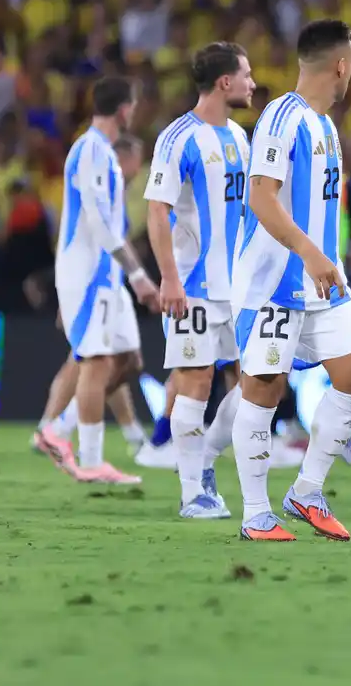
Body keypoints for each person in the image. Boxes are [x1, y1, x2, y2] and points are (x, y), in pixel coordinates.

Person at [229, 19, 351, 542]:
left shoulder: (325, 126)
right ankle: (255, 514)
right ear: (341, 65)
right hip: (274, 281)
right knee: (264, 388)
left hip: (321, 281)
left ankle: (306, 491)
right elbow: (260, 195)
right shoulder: (281, 116)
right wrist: (310, 253)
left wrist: (321, 259)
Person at [143, 43, 255, 518]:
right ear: (225, 82)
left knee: (259, 382)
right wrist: (169, 278)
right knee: (196, 379)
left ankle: (205, 459)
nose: (253, 83)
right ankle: (192, 494)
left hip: (240, 286)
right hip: (193, 286)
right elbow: (157, 210)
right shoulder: (178, 138)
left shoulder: (241, 137)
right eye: (246, 75)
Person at [53, 76, 161, 484]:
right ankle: (89, 458)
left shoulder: (101, 153)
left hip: (104, 276)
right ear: (123, 109)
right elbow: (100, 224)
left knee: (123, 359)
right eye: (132, 105)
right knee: (96, 362)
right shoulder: (92, 151)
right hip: (88, 274)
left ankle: (61, 432)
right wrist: (138, 275)